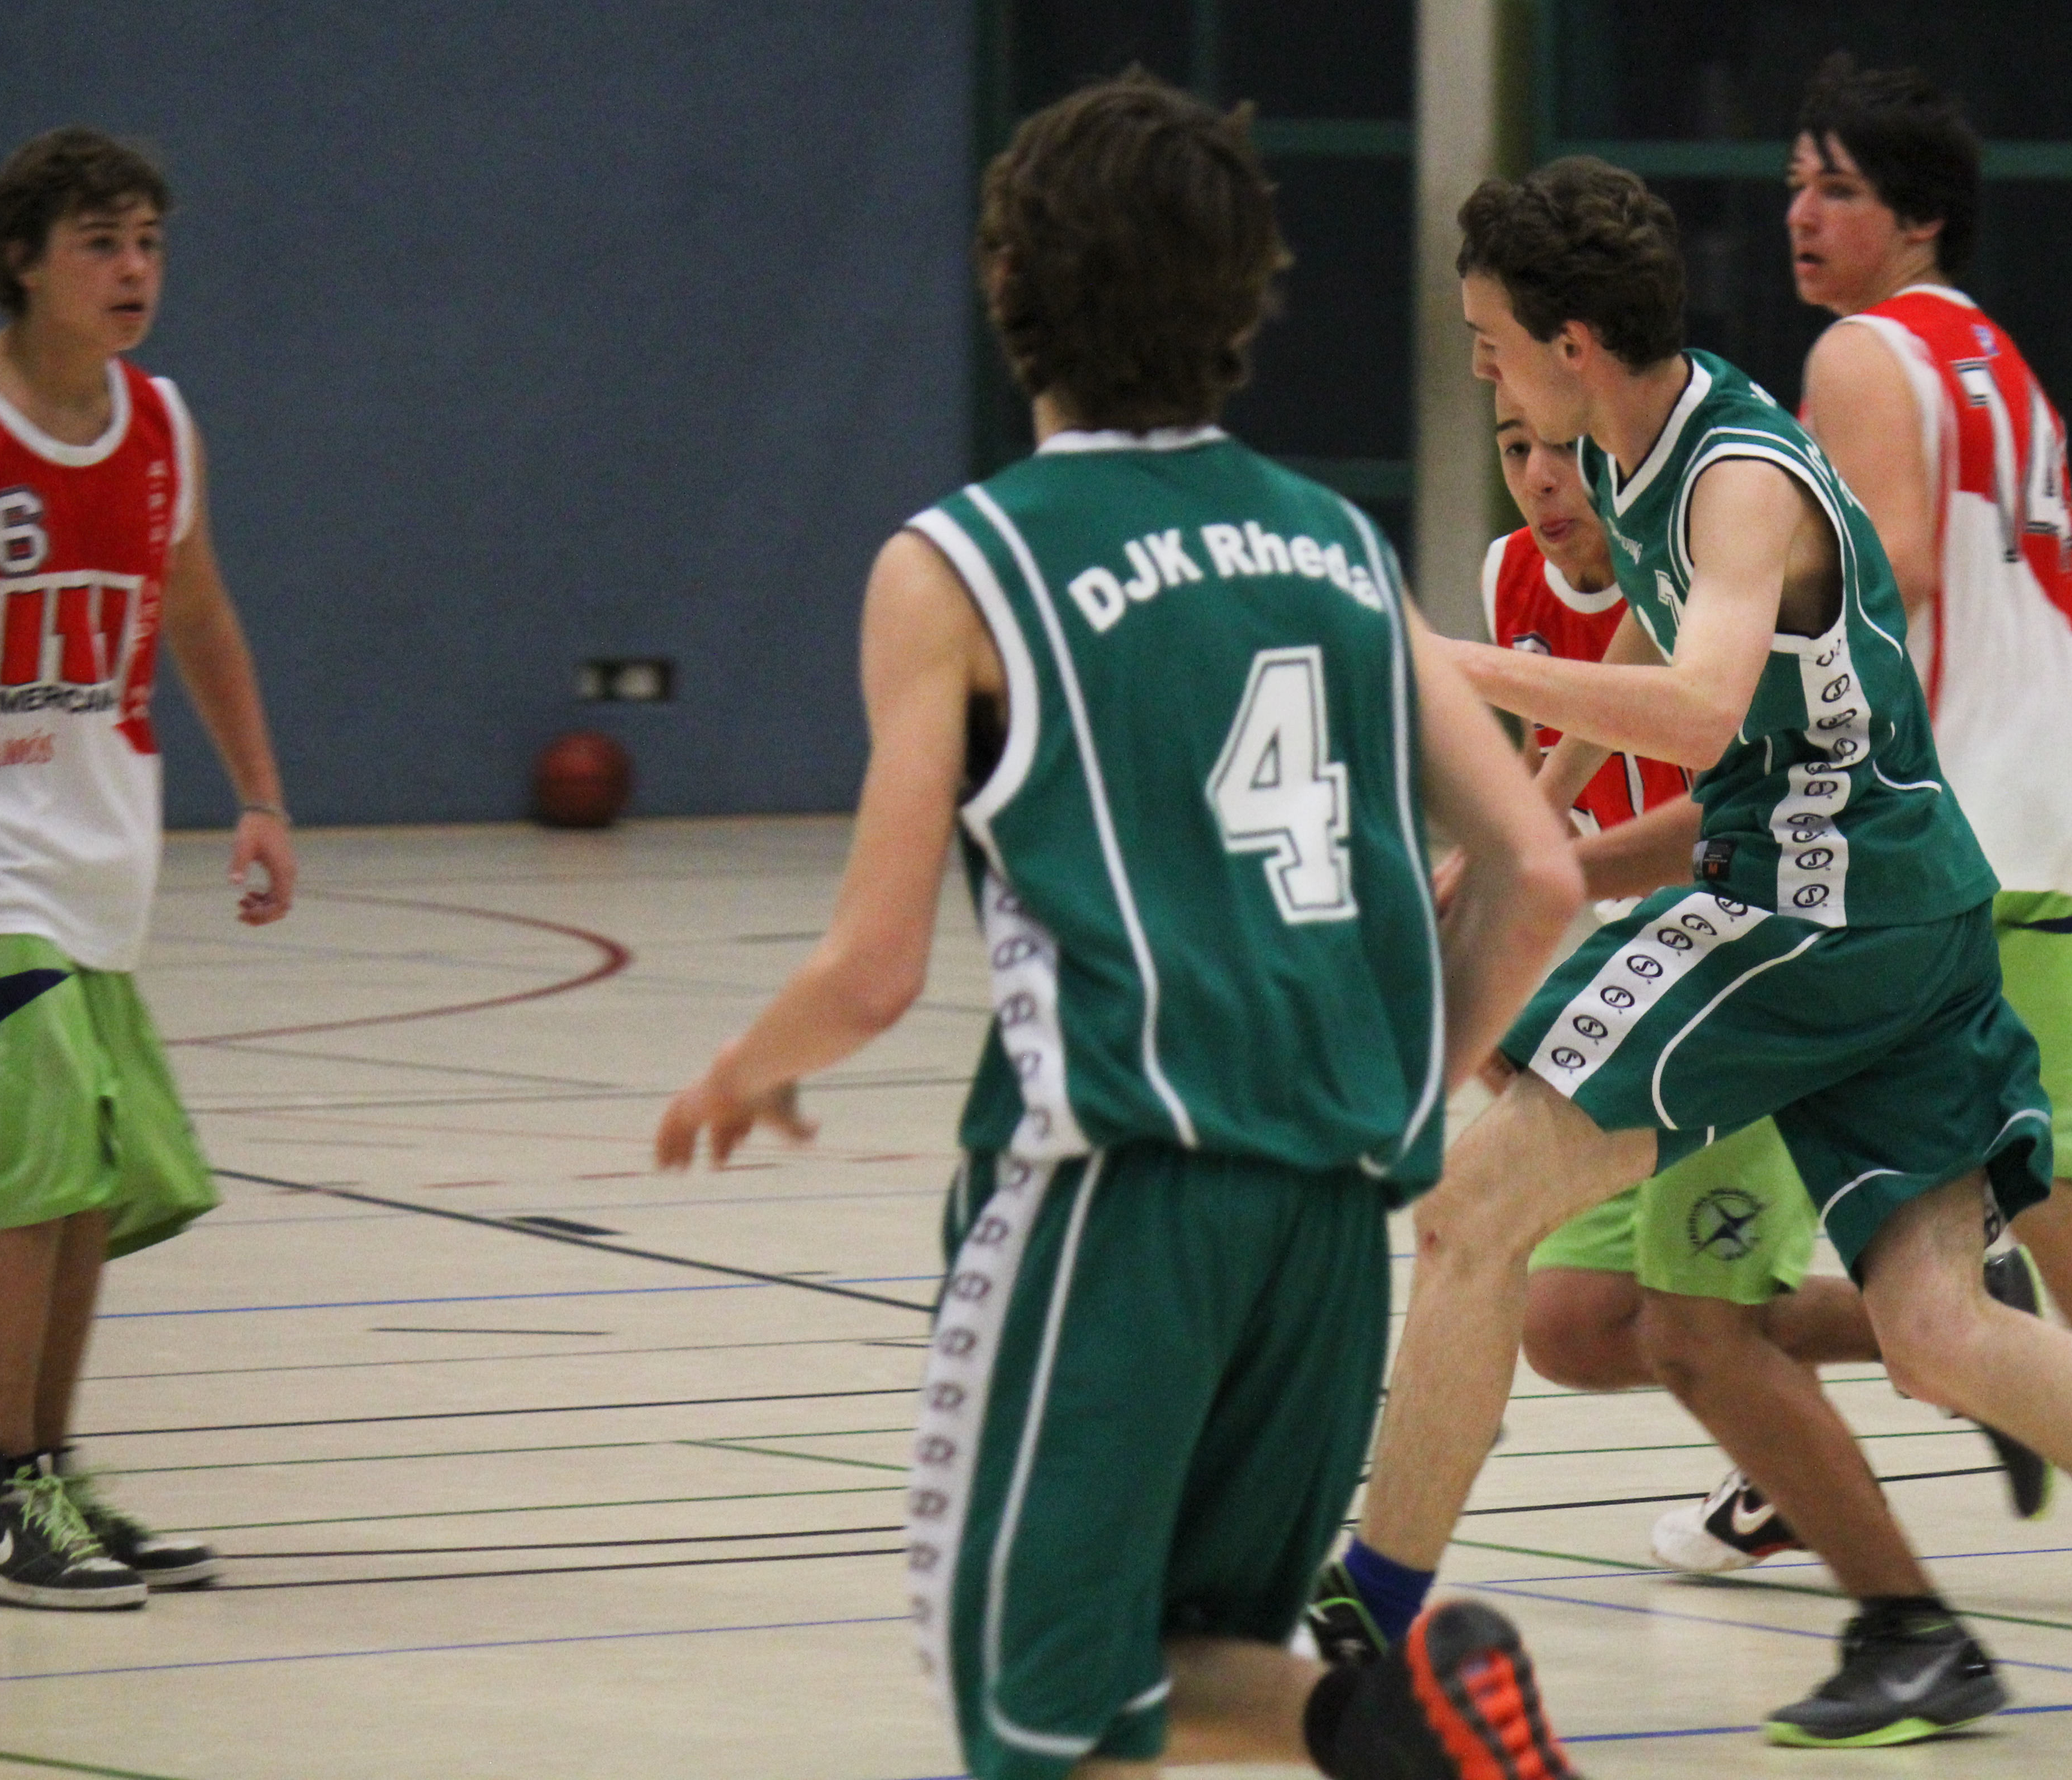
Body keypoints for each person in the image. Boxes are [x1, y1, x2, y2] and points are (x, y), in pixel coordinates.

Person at [1311, 155, 2072, 1780]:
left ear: (1571, 343)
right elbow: (1693, 666)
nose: (1485, 378)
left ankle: (1368, 1618)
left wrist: (1443, 660)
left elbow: (1701, 710)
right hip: (1908, 910)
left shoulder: (1733, 480)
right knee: (1935, 1326)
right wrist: (1536, 817)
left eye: (1491, 346)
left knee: (1472, 1210)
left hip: (1813, 910)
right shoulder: (1650, 449)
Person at [655, 77, 1588, 1780]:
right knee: (1173, 1663)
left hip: (1114, 1198)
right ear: (1243, 296)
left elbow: (872, 967)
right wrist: (1390, 1087)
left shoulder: (958, 564)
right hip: (1325, 1221)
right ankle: (1397, 1720)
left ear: (1009, 276)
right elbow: (1538, 875)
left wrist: (744, 1067)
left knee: (1028, 1696)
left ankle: (1398, 1716)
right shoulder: (1338, 547)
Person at [1419, 394, 2050, 1747]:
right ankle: (1945, 1340)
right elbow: (1534, 795)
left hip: (1759, 960)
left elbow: (1738, 810)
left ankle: (1904, 1605)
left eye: (1563, 448)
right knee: (1571, 1325)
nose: (1543, 478)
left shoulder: (1720, 548)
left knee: (1693, 1330)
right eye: (1515, 449)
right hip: (1639, 973)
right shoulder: (1513, 578)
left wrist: (1551, 862)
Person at [1782, 53, 2072, 1605]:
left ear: (1918, 218)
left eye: (1837, 189)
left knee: (1982, 1167)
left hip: (1954, 810)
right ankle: (1774, 1464)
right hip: (2060, 782)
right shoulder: (1988, 355)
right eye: (1795, 185)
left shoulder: (1860, 353)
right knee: (2015, 1165)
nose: (1802, 215)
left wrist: (1725, 613)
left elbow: (1889, 562)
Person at [0, 128, 296, 1611]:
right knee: (33, 1161)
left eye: (150, 243)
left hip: (103, 850)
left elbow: (199, 613)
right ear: (23, 260)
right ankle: (1, 1487)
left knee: (88, 1186)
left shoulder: (161, 423)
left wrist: (261, 795)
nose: (133, 270)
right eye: (101, 242)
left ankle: (47, 1463)